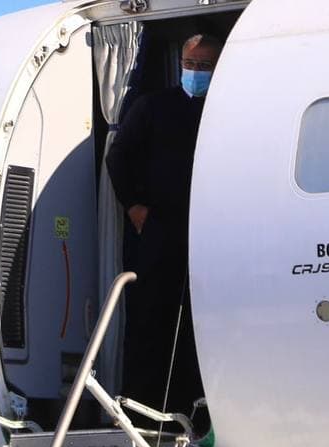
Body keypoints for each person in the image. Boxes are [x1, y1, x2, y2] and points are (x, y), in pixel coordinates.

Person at [106, 33, 223, 420]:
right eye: (190, 65)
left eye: (204, 66)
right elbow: (119, 157)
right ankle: (141, 412)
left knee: (200, 324)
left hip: (209, 231)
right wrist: (134, 207)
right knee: (151, 318)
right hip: (160, 228)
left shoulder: (225, 110)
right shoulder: (152, 106)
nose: (196, 72)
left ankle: (197, 412)